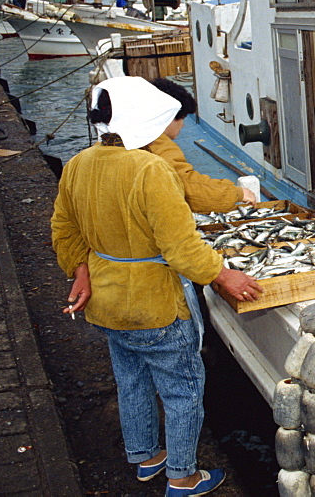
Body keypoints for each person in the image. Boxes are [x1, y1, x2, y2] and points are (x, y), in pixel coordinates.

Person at [51, 76, 263, 496]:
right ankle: (182, 477)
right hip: (155, 304)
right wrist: (224, 274)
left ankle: (146, 458)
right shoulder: (152, 169)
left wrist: (80, 269)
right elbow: (182, 249)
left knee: (131, 380)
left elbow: (63, 228)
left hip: (107, 301)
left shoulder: (80, 162)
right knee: (183, 390)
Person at [148, 77, 257, 213]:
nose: (183, 125)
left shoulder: (124, 136)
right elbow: (187, 188)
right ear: (168, 116)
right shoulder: (157, 144)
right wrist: (236, 193)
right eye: (182, 118)